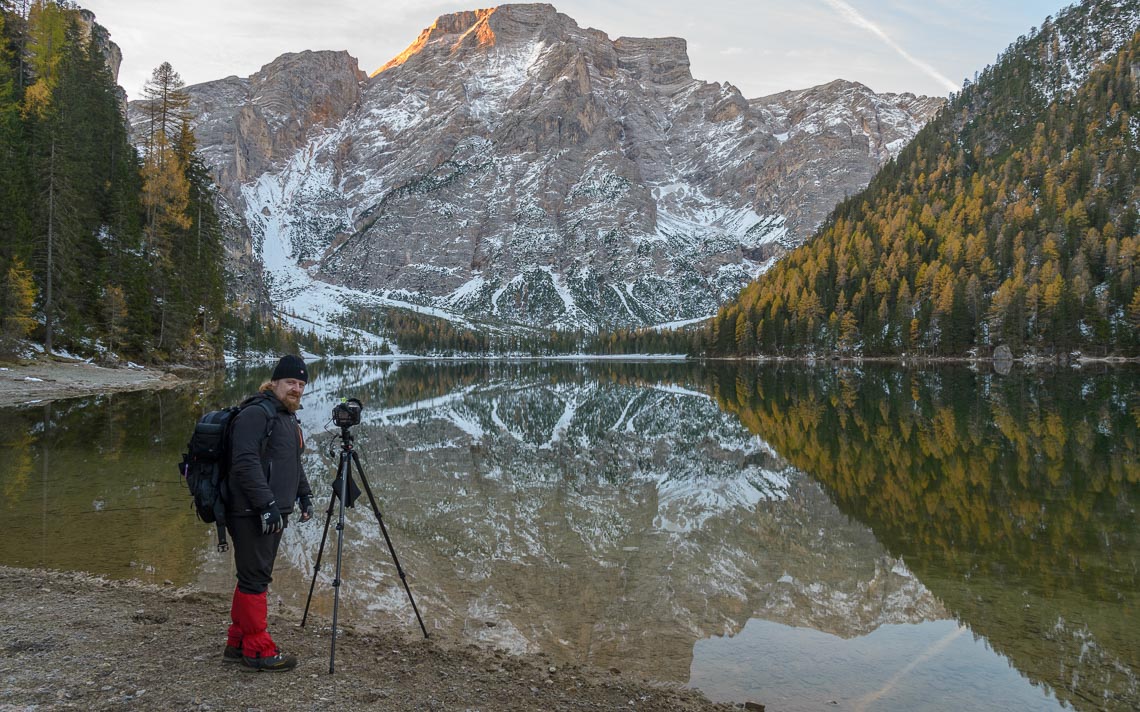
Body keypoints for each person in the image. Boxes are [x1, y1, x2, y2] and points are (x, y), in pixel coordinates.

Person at [222, 354, 315, 671]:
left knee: (251, 574)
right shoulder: (256, 414)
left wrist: (304, 495)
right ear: (274, 381)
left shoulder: (286, 416)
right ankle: (258, 650)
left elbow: (292, 462)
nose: (297, 389)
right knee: (256, 577)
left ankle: (238, 641)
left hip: (269, 510)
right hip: (251, 511)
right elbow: (245, 463)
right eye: (291, 382)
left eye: (301, 384)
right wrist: (267, 505)